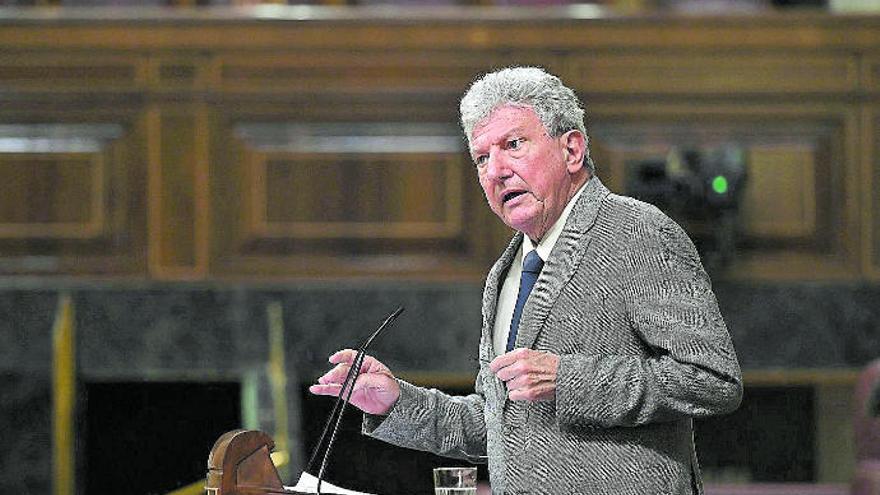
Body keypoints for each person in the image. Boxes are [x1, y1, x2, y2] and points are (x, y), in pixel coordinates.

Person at [310, 67, 743, 495]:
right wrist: (395, 402)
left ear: (572, 149)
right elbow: (501, 424)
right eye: (482, 157)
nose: (495, 170)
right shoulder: (506, 270)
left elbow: (712, 379)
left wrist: (567, 379)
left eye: (513, 145)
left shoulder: (637, 232)